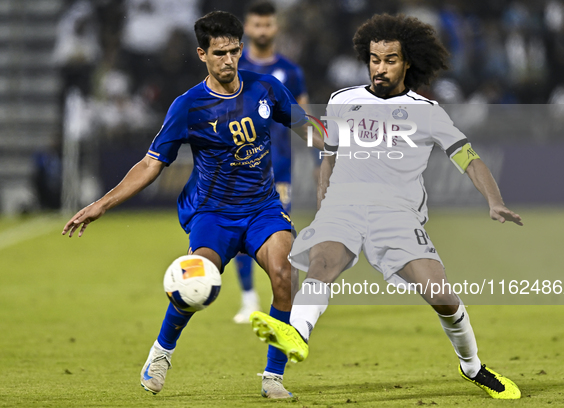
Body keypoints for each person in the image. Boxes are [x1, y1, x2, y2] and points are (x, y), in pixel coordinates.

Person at [250, 13, 523, 400]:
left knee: (440, 295)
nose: (380, 68)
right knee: (323, 265)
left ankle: (473, 366)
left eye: (390, 60)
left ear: (406, 62)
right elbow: (329, 155)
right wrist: (325, 199)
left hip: (397, 214)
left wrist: (494, 202)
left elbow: (469, 158)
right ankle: (297, 333)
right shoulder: (344, 101)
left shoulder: (426, 111)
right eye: (374, 59)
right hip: (344, 207)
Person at [62, 11, 322, 399]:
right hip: (212, 214)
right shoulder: (189, 106)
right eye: (220, 53)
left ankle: (273, 376)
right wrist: (103, 203)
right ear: (202, 53)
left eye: (234, 51)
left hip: (262, 209)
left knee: (285, 276)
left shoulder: (266, 89)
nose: (229, 60)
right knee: (195, 284)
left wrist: (345, 145)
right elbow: (151, 163)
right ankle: (162, 352)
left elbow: (307, 129)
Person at [230, 0, 309, 324]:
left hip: (281, 169)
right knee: (237, 236)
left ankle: (285, 302)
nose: (262, 30)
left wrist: (321, 157)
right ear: (247, 28)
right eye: (256, 25)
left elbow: (303, 121)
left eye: (267, 25)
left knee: (281, 235)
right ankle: (249, 299)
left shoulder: (291, 72)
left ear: (275, 28)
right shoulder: (230, 68)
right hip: (240, 168)